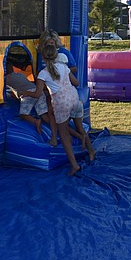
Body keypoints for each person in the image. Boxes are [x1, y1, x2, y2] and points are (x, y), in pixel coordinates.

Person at [34, 43, 86, 175]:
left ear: (43, 58)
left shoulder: (43, 73)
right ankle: (86, 145)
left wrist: (24, 94)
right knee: (72, 124)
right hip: (74, 98)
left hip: (61, 102)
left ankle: (74, 165)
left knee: (63, 134)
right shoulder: (64, 67)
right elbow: (76, 83)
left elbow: (36, 93)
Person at [5, 60, 44, 134]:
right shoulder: (20, 74)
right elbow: (19, 85)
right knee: (43, 113)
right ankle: (55, 128)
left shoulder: (7, 78)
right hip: (37, 90)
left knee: (23, 114)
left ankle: (35, 121)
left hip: (28, 93)